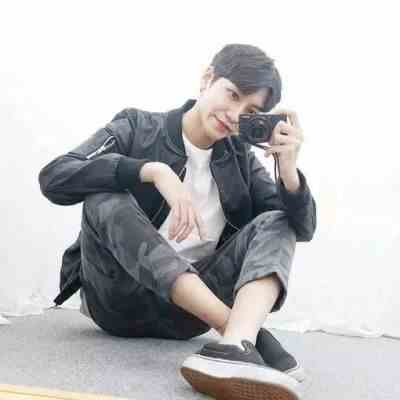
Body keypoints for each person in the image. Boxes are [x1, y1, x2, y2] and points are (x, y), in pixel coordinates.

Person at [39, 43, 316, 400]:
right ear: (207, 79)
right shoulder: (137, 126)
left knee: (277, 218)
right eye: (232, 94)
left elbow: (298, 227)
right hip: (115, 301)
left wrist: (289, 172)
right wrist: (151, 171)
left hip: (188, 317)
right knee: (103, 193)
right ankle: (244, 337)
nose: (234, 114)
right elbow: (55, 176)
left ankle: (235, 344)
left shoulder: (241, 161)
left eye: (250, 111)